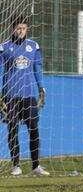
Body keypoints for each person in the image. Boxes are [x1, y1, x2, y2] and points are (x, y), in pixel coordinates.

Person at [0, 14, 49, 176]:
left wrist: (41, 88)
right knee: (12, 129)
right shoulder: (4, 47)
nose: (21, 31)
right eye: (18, 28)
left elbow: (37, 69)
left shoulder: (33, 46)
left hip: (29, 96)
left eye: (23, 28)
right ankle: (16, 165)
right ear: (12, 29)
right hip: (10, 96)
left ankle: (36, 167)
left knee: (33, 128)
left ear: (27, 29)